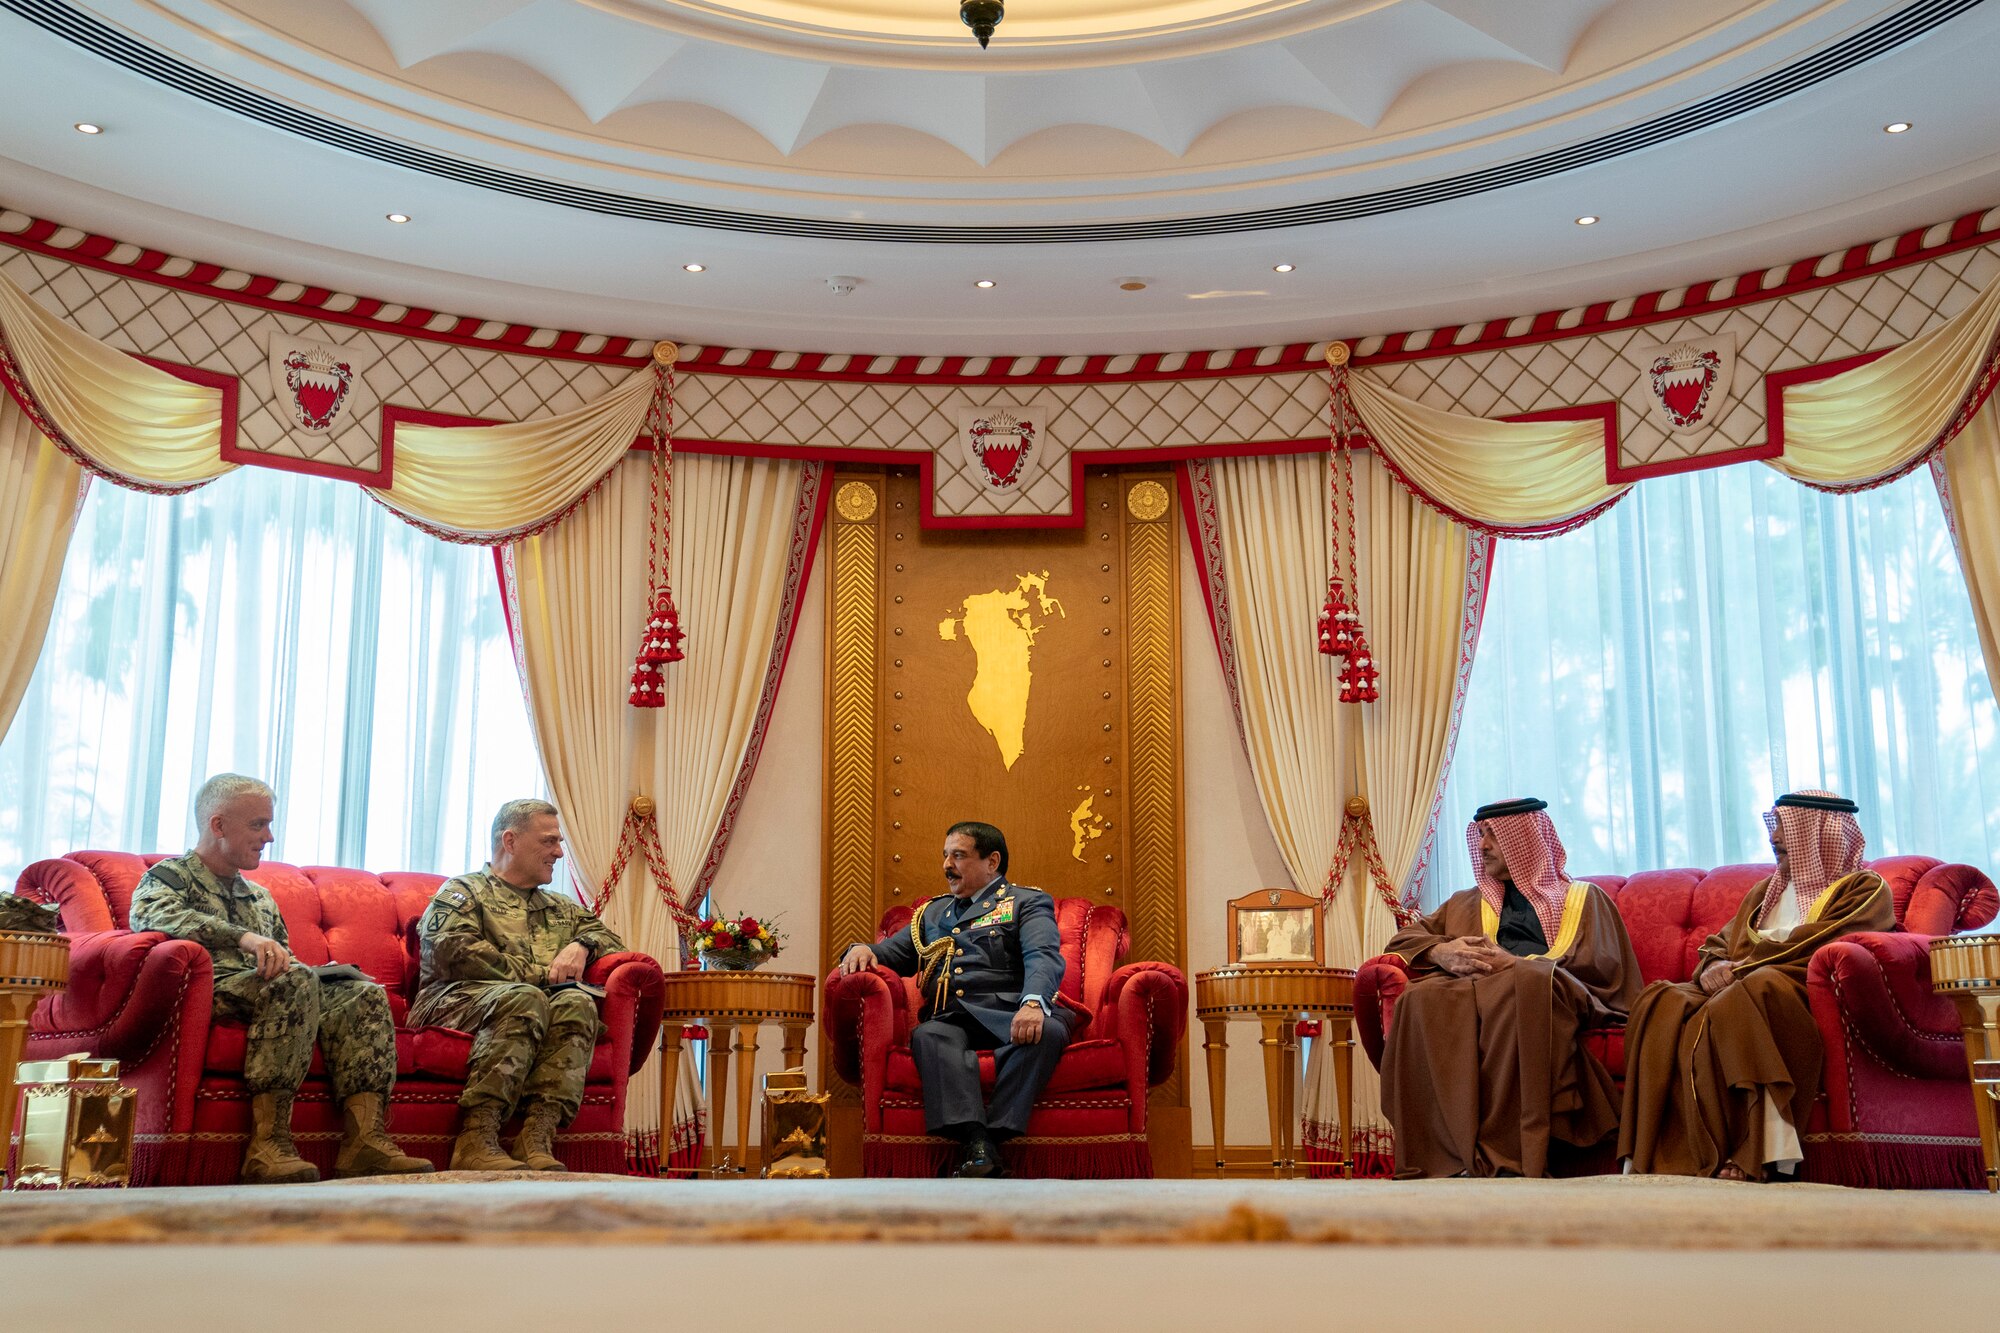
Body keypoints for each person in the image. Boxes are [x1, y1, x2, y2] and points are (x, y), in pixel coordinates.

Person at [128, 773, 430, 1183]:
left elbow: (285, 960)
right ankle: (268, 1145)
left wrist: (322, 975)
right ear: (218, 825)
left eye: (269, 824)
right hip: (208, 991)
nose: (269, 836)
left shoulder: (259, 896)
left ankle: (364, 1143)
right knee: (292, 982)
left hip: (272, 989)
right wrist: (244, 938)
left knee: (361, 993)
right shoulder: (169, 877)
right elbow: (151, 916)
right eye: (258, 825)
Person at [1619, 790, 1892, 1180]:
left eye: (1785, 826)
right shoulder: (1767, 892)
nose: (1774, 837)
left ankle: (1757, 1150)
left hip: (1798, 990)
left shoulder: (1863, 888)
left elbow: (1827, 942)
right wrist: (1715, 964)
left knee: (1752, 988)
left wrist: (1741, 968)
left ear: (1819, 831)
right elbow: (1718, 944)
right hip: (1745, 982)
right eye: (1774, 825)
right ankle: (1659, 1155)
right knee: (1660, 998)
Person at [1379, 797, 1641, 1178]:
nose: (1482, 845)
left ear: (1527, 841)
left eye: (1494, 836)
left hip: (1546, 987)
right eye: (1481, 835)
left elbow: (1602, 966)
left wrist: (1518, 965)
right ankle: (1444, 1157)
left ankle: (1508, 1157)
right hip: (1476, 988)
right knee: (1420, 998)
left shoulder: (1583, 898)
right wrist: (1441, 951)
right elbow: (1403, 941)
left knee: (1521, 984)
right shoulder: (1466, 902)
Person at [837, 820, 1068, 1178]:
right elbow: (891, 954)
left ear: (992, 861)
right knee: (928, 1036)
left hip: (1009, 1011)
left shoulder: (1025, 902)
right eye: (945, 855)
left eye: (958, 856)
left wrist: (1033, 1003)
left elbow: (1043, 953)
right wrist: (862, 949)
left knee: (1048, 1033)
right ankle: (977, 1141)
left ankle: (989, 1140)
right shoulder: (933, 913)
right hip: (953, 1017)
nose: (947, 865)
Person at [412, 798, 624, 1172]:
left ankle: (536, 1137)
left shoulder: (559, 907)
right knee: (526, 998)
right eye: (548, 841)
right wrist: (543, 975)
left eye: (558, 842)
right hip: (450, 1002)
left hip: (523, 1001)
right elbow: (453, 951)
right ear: (510, 841)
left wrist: (582, 944)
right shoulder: (463, 892)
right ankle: (476, 1139)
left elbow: (609, 939)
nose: (558, 852)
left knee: (576, 1003)